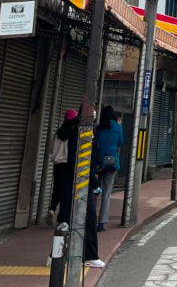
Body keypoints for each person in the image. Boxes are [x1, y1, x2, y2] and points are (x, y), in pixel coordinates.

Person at [59, 108, 105, 269]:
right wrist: (93, 183)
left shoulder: (79, 131)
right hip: (78, 183)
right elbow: (85, 161)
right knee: (80, 219)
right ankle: (60, 255)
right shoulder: (81, 132)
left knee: (71, 219)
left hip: (77, 182)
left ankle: (59, 255)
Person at [48, 109, 79, 226]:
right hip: (67, 165)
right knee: (66, 191)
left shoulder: (58, 133)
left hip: (57, 165)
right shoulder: (73, 133)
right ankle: (63, 217)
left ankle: (52, 208)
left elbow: (51, 148)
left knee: (57, 188)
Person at [94, 105, 123, 230]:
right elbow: (121, 143)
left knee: (95, 191)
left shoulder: (98, 128)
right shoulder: (117, 127)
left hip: (98, 163)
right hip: (111, 163)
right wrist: (119, 125)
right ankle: (101, 222)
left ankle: (91, 219)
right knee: (106, 194)